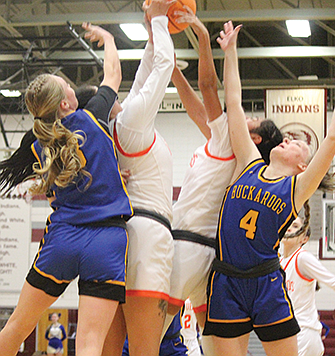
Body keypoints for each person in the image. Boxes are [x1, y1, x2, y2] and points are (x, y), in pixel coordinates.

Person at [202, 20, 335, 356]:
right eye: (287, 137)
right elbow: (234, 101)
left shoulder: (297, 188)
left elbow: (331, 139)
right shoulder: (248, 162)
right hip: (226, 280)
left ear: (303, 165)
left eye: (297, 142)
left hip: (266, 282)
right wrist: (230, 53)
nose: (288, 138)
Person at [0, 23, 133, 356]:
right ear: (64, 104)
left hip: (63, 238)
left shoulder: (36, 145)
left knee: (17, 326)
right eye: (69, 86)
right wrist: (108, 39)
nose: (75, 88)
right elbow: (113, 74)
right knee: (89, 342)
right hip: (106, 239)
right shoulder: (93, 117)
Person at [164, 10, 282, 356]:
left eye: (252, 119)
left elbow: (207, 87)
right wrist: (172, 72)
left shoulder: (232, 143)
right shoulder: (228, 146)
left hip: (187, 247)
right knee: (214, 347)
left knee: (145, 339)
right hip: (209, 258)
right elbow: (195, 107)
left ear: (256, 138)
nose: (244, 117)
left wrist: (202, 36)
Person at [101, 1, 176, 355]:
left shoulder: (122, 122)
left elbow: (146, 71)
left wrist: (151, 31)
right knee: (146, 351)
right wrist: (160, 18)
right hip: (147, 237)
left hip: (120, 239)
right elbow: (163, 66)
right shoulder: (130, 120)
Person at [280, 216, 335, 356]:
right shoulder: (280, 261)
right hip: (290, 332)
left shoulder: (302, 258)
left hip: (305, 332)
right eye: (288, 224)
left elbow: (334, 282)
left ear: (304, 238)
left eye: (296, 226)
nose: (289, 228)